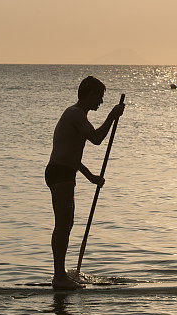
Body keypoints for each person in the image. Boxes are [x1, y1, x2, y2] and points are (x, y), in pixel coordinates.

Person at [45, 76, 125, 289]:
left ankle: (60, 275)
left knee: (67, 225)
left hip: (64, 171)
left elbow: (71, 155)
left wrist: (90, 177)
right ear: (88, 94)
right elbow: (97, 138)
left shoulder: (78, 116)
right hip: (59, 173)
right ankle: (59, 277)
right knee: (63, 226)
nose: (100, 101)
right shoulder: (75, 114)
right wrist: (111, 116)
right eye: (99, 96)